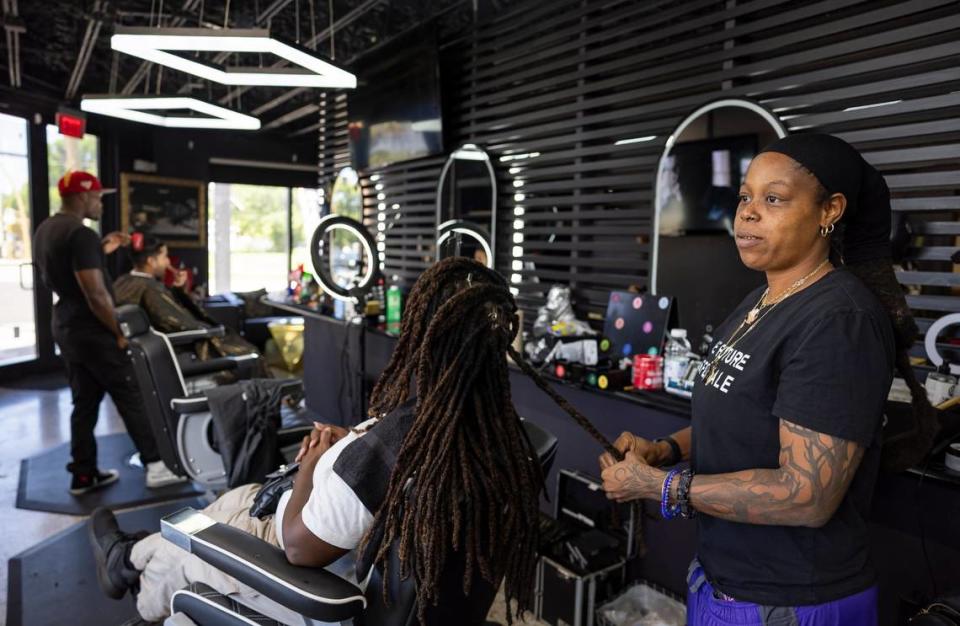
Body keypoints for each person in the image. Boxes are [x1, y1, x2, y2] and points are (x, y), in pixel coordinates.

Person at [89, 257, 620, 625]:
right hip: (340, 524)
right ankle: (128, 555)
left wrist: (309, 469)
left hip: (302, 558)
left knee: (196, 543)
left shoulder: (394, 445)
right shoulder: (503, 436)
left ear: (422, 340)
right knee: (232, 502)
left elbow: (298, 548)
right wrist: (347, 449)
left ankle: (134, 582)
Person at [598, 134, 933, 625]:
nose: (748, 213)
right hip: (724, 579)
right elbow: (745, 419)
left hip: (792, 600)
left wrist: (662, 486)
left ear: (829, 211)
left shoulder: (839, 320)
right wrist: (665, 449)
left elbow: (807, 495)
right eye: (745, 197)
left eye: (773, 199)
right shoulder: (760, 302)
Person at [32, 171, 182, 494]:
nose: (100, 203)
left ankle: (83, 475)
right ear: (83, 197)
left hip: (66, 327)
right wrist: (118, 332)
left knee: (83, 402)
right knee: (132, 395)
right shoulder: (80, 234)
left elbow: (69, 271)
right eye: (98, 197)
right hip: (94, 330)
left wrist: (101, 249)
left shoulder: (47, 229)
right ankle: (156, 466)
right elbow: (96, 294)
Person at [113, 234, 268, 377]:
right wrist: (209, 330)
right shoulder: (150, 287)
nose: (168, 262)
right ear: (151, 261)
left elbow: (166, 310)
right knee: (251, 354)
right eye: (164, 256)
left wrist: (178, 289)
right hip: (178, 348)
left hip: (139, 352)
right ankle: (267, 398)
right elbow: (175, 321)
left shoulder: (123, 282)